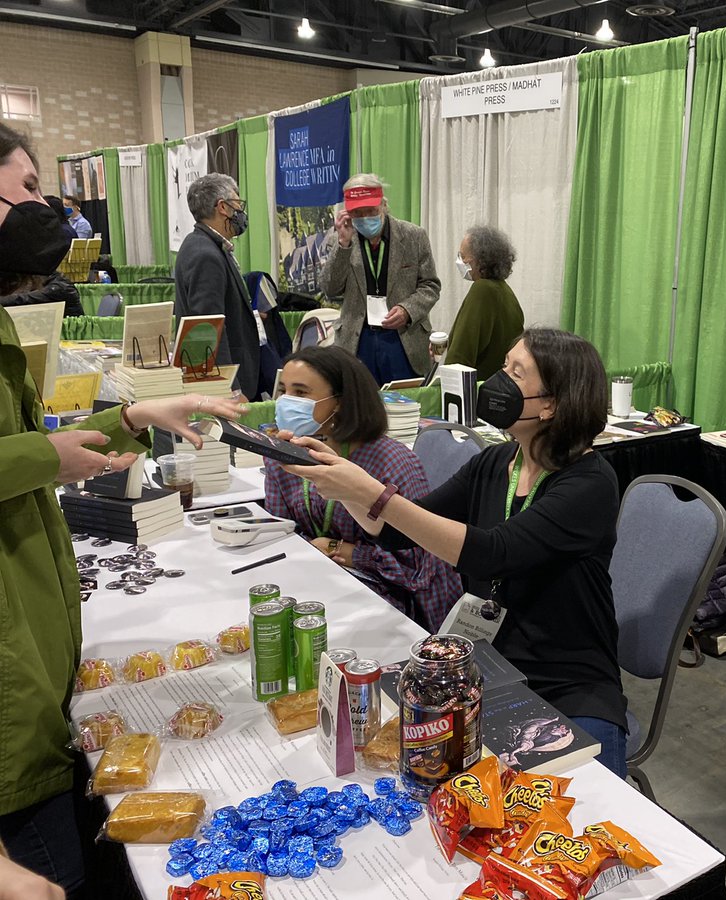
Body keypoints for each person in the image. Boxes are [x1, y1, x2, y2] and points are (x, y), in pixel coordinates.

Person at [0, 122, 247, 898]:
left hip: (35, 659)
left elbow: (34, 444)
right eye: (29, 187)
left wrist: (136, 417)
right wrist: (49, 459)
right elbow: (32, 454)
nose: (48, 209)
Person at [283, 328, 628, 775]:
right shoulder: (496, 461)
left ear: (551, 404)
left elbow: (492, 553)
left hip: (568, 684)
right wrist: (343, 481)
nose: (498, 381)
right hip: (487, 670)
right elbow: (399, 531)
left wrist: (374, 492)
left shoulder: (590, 484)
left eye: (515, 373)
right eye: (504, 365)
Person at [263, 346, 462, 631]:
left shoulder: (392, 461)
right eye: (283, 390)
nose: (285, 401)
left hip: (394, 602)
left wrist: (348, 552)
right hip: (319, 584)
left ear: (340, 402)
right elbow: (282, 532)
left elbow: (419, 567)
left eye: (301, 392)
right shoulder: (282, 455)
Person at [321, 173, 440, 385]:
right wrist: (344, 245)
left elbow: (430, 285)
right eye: (358, 213)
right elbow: (330, 288)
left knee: (407, 406)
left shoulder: (414, 236)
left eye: (370, 211)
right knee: (361, 408)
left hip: (402, 338)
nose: (365, 217)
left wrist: (407, 309)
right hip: (358, 339)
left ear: (383, 205)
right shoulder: (341, 239)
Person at [174, 173, 261, 399]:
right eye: (236, 202)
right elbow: (207, 328)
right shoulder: (205, 254)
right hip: (226, 380)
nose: (240, 210)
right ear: (223, 207)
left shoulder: (203, 245)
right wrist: (229, 388)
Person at [445, 225, 525, 380]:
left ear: (479, 260)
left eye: (462, 256)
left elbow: (461, 354)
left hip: (477, 392)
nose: (460, 261)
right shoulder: (507, 293)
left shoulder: (482, 290)